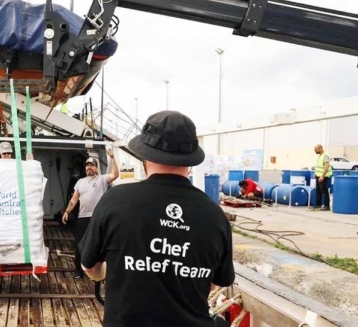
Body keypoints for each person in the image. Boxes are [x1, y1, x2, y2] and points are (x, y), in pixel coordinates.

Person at [79, 111, 235, 327]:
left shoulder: (115, 200)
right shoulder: (214, 215)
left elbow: (90, 267)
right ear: (190, 159)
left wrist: (109, 272)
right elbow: (217, 282)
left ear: (145, 156)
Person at [61, 150, 119, 278]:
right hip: (82, 218)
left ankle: (98, 272)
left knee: (99, 244)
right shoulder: (80, 182)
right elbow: (74, 199)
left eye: (92, 165)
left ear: (96, 168)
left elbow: (115, 174)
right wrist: (66, 211)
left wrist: (113, 157)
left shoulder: (102, 179)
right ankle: (78, 271)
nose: (89, 167)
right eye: (87, 165)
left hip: (97, 218)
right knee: (79, 244)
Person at [314, 144, 332, 211]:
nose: (315, 151)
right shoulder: (320, 156)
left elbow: (326, 166)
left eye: (316, 149)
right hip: (318, 176)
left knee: (324, 191)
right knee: (318, 191)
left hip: (323, 177)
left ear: (320, 148)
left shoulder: (325, 156)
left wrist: (322, 176)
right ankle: (318, 205)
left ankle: (327, 206)